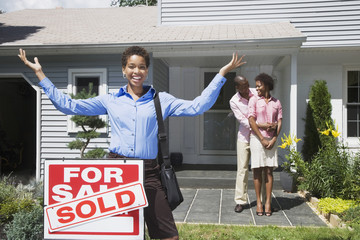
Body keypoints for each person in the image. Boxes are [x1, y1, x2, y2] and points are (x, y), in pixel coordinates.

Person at [18, 46, 246, 240]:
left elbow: (197, 106)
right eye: (132, 66)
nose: (137, 71)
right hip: (117, 171)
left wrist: (221, 74)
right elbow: (70, 106)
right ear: (124, 69)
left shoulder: (161, 100)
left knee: (168, 234)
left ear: (147, 70)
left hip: (149, 172)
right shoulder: (111, 100)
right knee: (120, 231)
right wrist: (40, 75)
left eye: (142, 67)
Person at [248, 73, 282, 217]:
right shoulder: (254, 100)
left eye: (259, 85)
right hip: (257, 138)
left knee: (269, 171)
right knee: (257, 170)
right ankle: (259, 202)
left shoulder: (277, 103)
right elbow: (251, 120)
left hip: (271, 140)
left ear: (267, 85)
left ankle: (268, 202)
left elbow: (279, 122)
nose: (257, 89)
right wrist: (262, 138)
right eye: (256, 86)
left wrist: (274, 138)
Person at [229, 75, 257, 213]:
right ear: (237, 87)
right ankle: (240, 201)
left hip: (259, 137)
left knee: (260, 169)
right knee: (242, 170)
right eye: (243, 86)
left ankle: (264, 201)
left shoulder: (256, 93)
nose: (247, 88)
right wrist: (257, 127)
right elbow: (243, 120)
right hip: (244, 137)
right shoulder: (234, 101)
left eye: (247, 84)